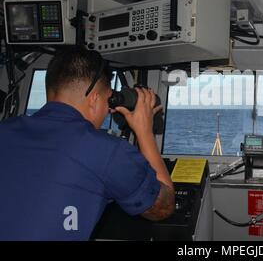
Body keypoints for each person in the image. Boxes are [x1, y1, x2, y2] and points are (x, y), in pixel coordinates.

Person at [0, 48, 175, 240]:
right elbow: (163, 207)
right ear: (94, 99)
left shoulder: (5, 129)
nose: (109, 111)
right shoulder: (106, 150)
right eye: (108, 102)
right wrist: (145, 132)